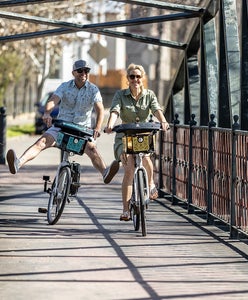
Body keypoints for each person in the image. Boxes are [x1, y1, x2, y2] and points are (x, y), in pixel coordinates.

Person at [6, 59, 119, 184]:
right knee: (42, 141)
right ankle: (18, 163)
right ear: (73, 73)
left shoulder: (93, 90)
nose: (83, 73)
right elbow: (53, 100)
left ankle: (105, 173)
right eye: (80, 71)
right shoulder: (65, 86)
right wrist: (47, 113)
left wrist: (97, 128)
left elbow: (100, 109)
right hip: (62, 126)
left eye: (86, 71)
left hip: (82, 130)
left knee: (92, 149)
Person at [104, 63, 169, 221]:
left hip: (143, 135)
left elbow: (156, 109)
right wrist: (110, 124)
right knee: (129, 168)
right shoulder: (120, 95)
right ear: (127, 79)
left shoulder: (149, 95)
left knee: (146, 157)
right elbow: (115, 111)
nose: (135, 79)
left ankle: (151, 183)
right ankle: (126, 210)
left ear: (143, 78)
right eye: (132, 76)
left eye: (138, 77)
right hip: (125, 137)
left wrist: (164, 122)